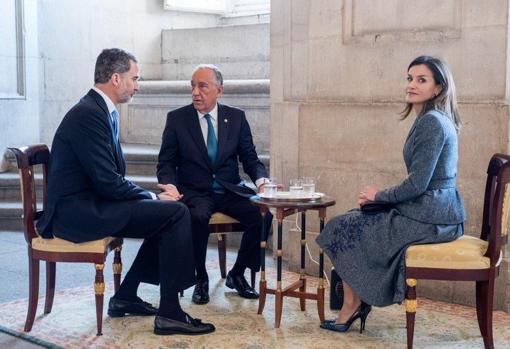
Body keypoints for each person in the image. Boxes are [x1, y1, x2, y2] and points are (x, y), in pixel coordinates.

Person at [36, 48, 215, 336]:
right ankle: (169, 313)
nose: (138, 85)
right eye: (135, 78)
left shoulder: (99, 110)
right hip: (77, 214)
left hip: (93, 202)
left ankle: (125, 297)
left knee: (167, 216)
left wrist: (153, 199)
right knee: (176, 213)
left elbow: (109, 179)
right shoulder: (88, 114)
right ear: (116, 78)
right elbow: (109, 182)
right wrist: (154, 197)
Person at [316, 56, 465, 333]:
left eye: (421, 80)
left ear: (438, 89)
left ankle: (353, 304)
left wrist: (378, 196)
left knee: (341, 226)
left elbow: (418, 184)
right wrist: (377, 201)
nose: (411, 85)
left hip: (432, 219)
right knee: (350, 220)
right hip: (433, 211)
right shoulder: (430, 118)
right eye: (409, 78)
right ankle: (354, 302)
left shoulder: (432, 122)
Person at [157, 64, 271, 304]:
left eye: (202, 86)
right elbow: (166, 162)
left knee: (262, 215)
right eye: (193, 86)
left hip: (229, 189)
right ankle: (200, 277)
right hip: (195, 191)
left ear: (219, 90)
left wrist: (262, 182)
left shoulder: (236, 117)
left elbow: (250, 157)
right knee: (197, 217)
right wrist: (169, 185)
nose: (195, 92)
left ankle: (237, 273)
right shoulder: (177, 119)